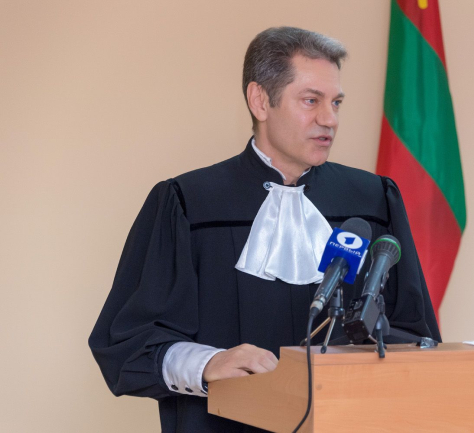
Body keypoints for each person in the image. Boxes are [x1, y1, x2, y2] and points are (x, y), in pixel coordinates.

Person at [89, 26, 441, 433]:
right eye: (311, 100)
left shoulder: (373, 199)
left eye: (336, 103)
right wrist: (207, 362)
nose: (329, 119)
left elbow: (414, 333)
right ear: (260, 101)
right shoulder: (189, 203)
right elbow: (127, 343)